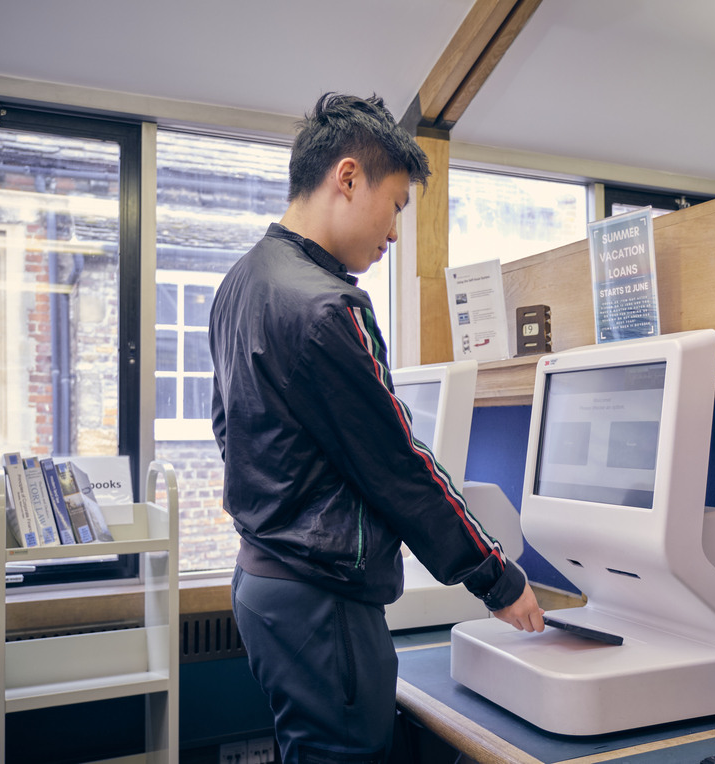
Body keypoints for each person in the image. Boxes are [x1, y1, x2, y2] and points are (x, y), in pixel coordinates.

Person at [209, 92, 545, 764]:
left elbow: (229, 427)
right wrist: (497, 578)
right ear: (348, 177)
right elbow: (398, 467)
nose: (395, 235)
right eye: (395, 206)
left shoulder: (241, 281)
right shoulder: (328, 308)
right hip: (321, 599)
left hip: (265, 585)